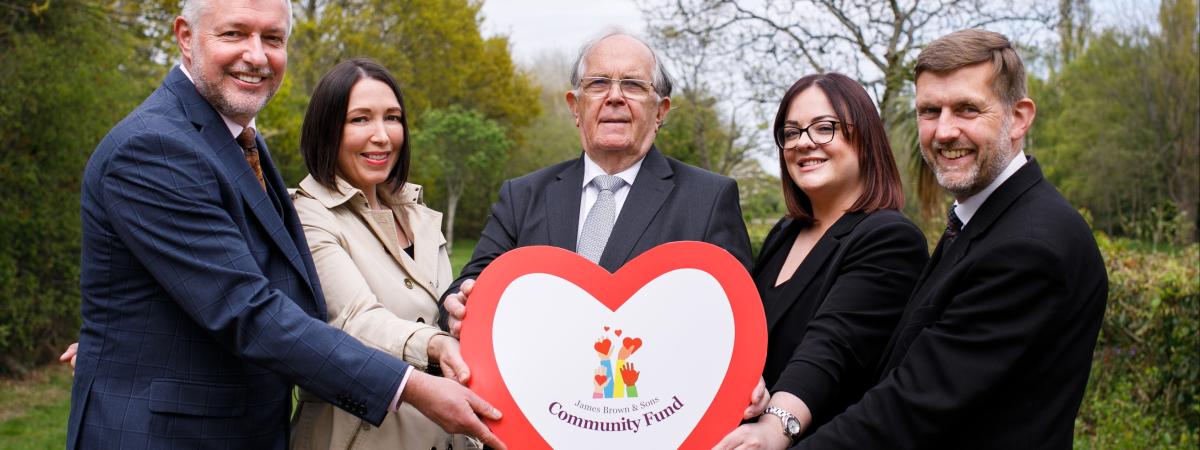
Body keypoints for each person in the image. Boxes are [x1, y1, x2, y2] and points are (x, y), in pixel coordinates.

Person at [68, 1, 503, 448]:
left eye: (273, 38)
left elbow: (282, 289)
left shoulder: (240, 142)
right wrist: (410, 384)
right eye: (234, 34)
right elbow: (249, 312)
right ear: (185, 36)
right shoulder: (154, 147)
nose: (256, 56)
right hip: (166, 436)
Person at [790, 29, 1108, 449]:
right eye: (929, 111)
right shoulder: (983, 220)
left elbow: (909, 412)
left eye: (966, 109)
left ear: (1018, 117)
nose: (943, 131)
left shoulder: (1029, 247)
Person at [439, 30, 766, 419]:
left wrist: (746, 372)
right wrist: (456, 304)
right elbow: (471, 285)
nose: (614, 96)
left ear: (660, 110)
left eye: (632, 84)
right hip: (536, 419)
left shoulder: (708, 199)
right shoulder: (523, 195)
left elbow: (737, 319)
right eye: (598, 83)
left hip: (655, 420)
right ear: (575, 106)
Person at [713, 73, 928, 449]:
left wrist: (775, 426)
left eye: (824, 128)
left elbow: (831, 349)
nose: (804, 142)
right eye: (791, 132)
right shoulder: (786, 232)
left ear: (865, 138)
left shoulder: (889, 238)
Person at [288, 58, 477, 450]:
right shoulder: (306, 214)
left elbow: (443, 310)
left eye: (392, 118)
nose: (382, 136)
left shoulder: (419, 214)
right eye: (360, 119)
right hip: (357, 437)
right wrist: (437, 344)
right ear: (328, 130)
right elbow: (354, 319)